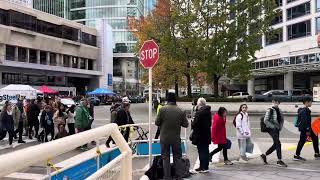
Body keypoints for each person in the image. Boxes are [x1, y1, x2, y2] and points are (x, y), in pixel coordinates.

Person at [155, 93, 189, 180]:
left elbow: (157, 123)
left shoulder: (162, 109)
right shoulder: (180, 110)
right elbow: (185, 124)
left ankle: (167, 177)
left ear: (167, 100)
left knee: (165, 157)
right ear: (175, 100)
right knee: (177, 157)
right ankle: (178, 176)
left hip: (164, 138)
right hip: (176, 138)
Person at [260, 99, 287, 167]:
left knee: (276, 144)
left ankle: (264, 155)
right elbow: (265, 120)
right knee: (278, 143)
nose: (275, 103)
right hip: (271, 129)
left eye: (277, 102)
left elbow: (282, 120)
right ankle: (279, 160)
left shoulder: (280, 110)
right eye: (274, 102)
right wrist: (273, 127)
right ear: (272, 102)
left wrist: (280, 127)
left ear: (279, 103)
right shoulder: (270, 110)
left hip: (277, 129)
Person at [191, 98, 212, 173]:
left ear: (199, 104)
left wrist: (192, 122)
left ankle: (202, 167)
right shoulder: (208, 112)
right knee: (205, 150)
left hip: (200, 135)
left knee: (201, 151)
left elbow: (195, 124)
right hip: (206, 134)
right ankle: (205, 166)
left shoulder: (199, 113)